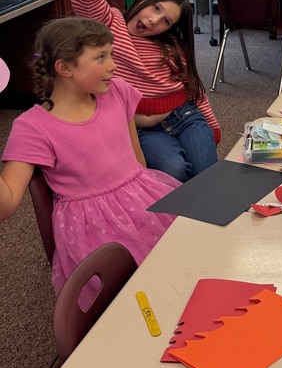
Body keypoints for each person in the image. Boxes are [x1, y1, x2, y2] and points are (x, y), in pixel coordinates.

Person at [0, 18, 180, 293]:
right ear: (65, 67)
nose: (113, 65)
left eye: (111, 54)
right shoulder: (32, 127)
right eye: (101, 57)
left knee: (180, 262)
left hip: (143, 194)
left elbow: (138, 160)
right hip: (93, 226)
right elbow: (7, 203)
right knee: (127, 294)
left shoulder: (117, 92)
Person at [71, 0, 220, 181]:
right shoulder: (110, 23)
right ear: (143, 0)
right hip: (141, 128)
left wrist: (212, 127)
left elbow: (192, 87)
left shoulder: (171, 45)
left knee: (206, 172)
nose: (154, 21)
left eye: (165, 21)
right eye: (155, 8)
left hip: (184, 114)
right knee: (173, 173)